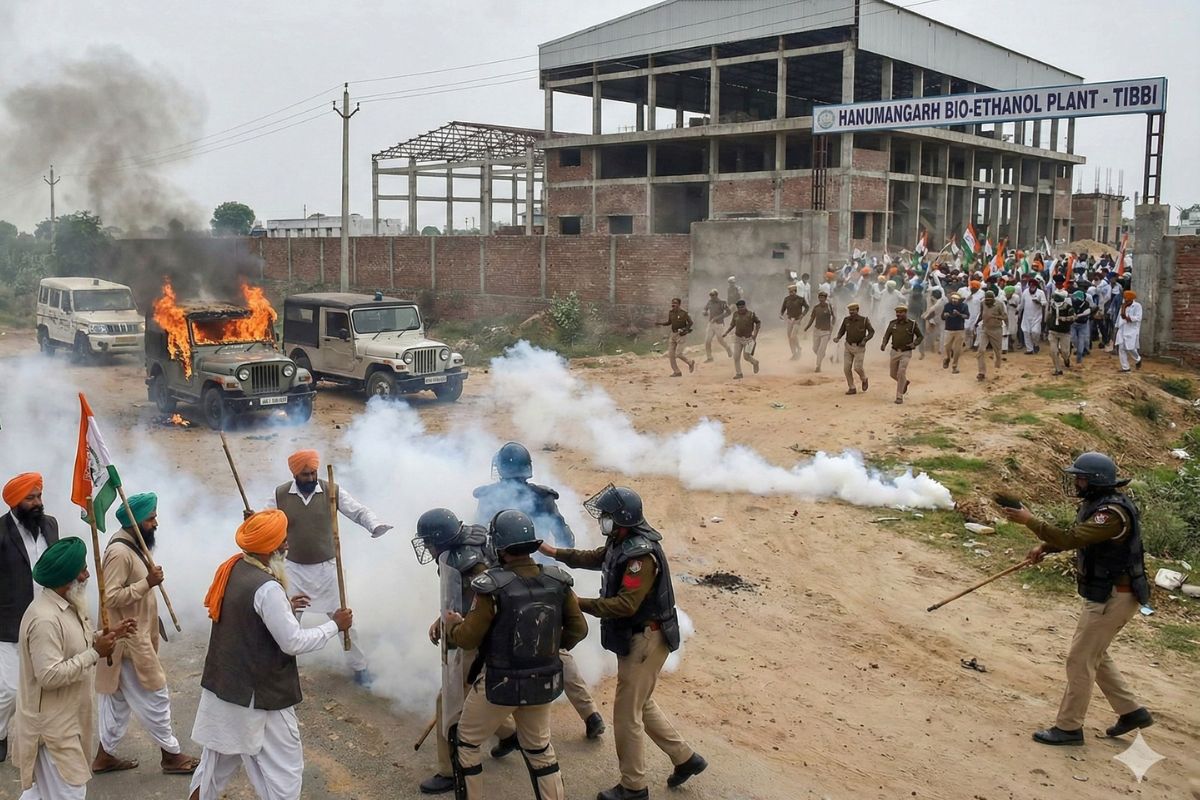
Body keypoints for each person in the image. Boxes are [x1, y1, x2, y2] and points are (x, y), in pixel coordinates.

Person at [540, 485, 706, 800]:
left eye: (606, 516)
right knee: (640, 703)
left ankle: (634, 787)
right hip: (638, 637)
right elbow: (594, 558)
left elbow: (625, 605)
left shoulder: (639, 555)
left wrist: (576, 603)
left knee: (626, 714)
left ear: (623, 519)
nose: (602, 520)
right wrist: (555, 553)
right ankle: (686, 758)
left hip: (646, 638)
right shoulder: (620, 540)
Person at [189, 510, 353, 800]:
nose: (287, 546)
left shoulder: (234, 567)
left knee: (212, 768)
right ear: (272, 549)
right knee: (285, 773)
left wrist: (287, 610)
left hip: (222, 688)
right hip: (259, 698)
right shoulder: (267, 588)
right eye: (283, 541)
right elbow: (293, 642)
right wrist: (334, 626)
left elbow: (252, 619)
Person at [1001, 453, 1153, 746]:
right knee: (1095, 654)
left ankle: (1069, 728)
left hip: (1114, 598)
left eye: (1080, 477)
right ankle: (1131, 712)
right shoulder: (1099, 507)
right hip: (1109, 595)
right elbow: (1079, 538)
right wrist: (1047, 546)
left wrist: (1030, 521)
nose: (1076, 482)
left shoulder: (1110, 514)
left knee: (1079, 659)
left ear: (1094, 481)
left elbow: (1072, 539)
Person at [443, 510, 586, 800]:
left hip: (499, 683)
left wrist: (453, 626)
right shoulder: (558, 581)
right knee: (540, 751)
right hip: (542, 680)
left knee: (466, 744)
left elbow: (469, 637)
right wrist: (547, 650)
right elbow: (579, 629)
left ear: (500, 547)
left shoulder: (490, 587)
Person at [472, 444, 605, 747]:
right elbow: (565, 537)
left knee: (493, 648)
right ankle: (590, 714)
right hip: (542, 581)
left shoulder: (488, 498)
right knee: (555, 648)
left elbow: (479, 540)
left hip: (503, 585)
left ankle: (503, 727)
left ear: (501, 469)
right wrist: (550, 567)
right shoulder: (544, 498)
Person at [13, 537, 135, 800]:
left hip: (68, 719)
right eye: (82, 569)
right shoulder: (44, 619)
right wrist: (95, 653)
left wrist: (109, 633)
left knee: (43, 794)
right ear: (65, 577)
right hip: (52, 728)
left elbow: (74, 640)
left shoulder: (68, 605)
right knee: (71, 792)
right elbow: (49, 675)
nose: (87, 574)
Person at [256, 449, 390, 686]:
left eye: (313, 473)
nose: (310, 478)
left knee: (344, 620)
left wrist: (374, 525)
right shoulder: (281, 495)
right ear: (295, 474)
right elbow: (264, 520)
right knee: (287, 619)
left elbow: (358, 511)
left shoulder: (331, 490)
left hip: (328, 570)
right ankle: (278, 667)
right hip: (294, 569)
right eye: (305, 474)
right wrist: (252, 520)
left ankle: (359, 668)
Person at [93, 493, 197, 776]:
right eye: (151, 519)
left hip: (135, 637)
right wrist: (147, 583)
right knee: (155, 695)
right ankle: (171, 755)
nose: (156, 523)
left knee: (116, 704)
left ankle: (103, 757)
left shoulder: (134, 545)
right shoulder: (119, 553)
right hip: (128, 643)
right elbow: (109, 597)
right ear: (136, 522)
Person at [412, 508, 505, 795]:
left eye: (428, 541)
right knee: (480, 694)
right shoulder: (472, 544)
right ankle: (511, 734)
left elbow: (479, 605)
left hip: (476, 639)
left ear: (440, 540)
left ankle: (448, 771)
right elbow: (460, 598)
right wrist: (443, 618)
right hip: (487, 636)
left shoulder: (469, 565)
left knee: (449, 702)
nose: (426, 547)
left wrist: (454, 624)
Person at [1, 473, 59, 764]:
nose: (37, 503)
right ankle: (0, 734)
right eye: (30, 498)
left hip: (46, 619)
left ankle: (40, 738)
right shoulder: (0, 533)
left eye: (39, 496)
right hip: (9, 624)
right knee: (10, 689)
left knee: (45, 683)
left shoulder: (50, 525)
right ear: (14, 502)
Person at [880, 305, 923, 405]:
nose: (898, 314)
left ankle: (899, 396)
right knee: (892, 374)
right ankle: (904, 382)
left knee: (901, 372)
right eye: (897, 312)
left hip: (906, 352)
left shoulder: (912, 324)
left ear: (905, 312)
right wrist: (883, 344)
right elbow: (887, 335)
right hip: (894, 351)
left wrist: (914, 344)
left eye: (900, 312)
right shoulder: (892, 323)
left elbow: (920, 336)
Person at [833, 302, 874, 395]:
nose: (851, 312)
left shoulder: (864, 320)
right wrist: (838, 337)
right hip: (848, 346)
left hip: (859, 347)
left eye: (853, 310)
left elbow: (871, 332)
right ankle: (852, 387)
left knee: (857, 367)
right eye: (850, 310)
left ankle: (864, 379)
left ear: (857, 310)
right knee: (846, 368)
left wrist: (865, 340)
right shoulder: (846, 320)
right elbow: (841, 331)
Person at [655, 298, 695, 377]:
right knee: (671, 354)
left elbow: (690, 323)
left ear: (679, 304)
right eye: (672, 303)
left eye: (675, 303)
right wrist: (660, 324)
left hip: (681, 335)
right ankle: (677, 372)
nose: (673, 305)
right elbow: (669, 322)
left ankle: (690, 362)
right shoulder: (671, 313)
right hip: (673, 334)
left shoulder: (684, 313)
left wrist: (685, 330)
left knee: (678, 353)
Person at [972, 291, 1005, 381]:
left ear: (993, 299)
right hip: (985, 329)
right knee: (981, 350)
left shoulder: (999, 304)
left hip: (996, 330)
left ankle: (997, 370)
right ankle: (981, 372)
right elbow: (982, 314)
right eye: (987, 300)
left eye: (990, 300)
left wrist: (996, 317)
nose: (988, 302)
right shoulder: (982, 303)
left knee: (997, 352)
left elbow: (1004, 317)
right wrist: (976, 323)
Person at [723, 299, 760, 379]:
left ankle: (755, 362)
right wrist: (726, 332)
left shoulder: (751, 314)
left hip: (749, 338)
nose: (741, 309)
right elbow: (732, 325)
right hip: (738, 338)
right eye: (739, 307)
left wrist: (755, 334)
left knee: (746, 357)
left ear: (745, 306)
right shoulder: (735, 314)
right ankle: (739, 373)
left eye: (742, 307)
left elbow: (758, 322)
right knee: (736, 356)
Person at [803, 290, 836, 373]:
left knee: (821, 349)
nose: (821, 299)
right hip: (817, 330)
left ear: (825, 298)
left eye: (823, 297)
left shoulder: (829, 307)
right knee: (815, 349)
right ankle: (829, 357)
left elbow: (834, 317)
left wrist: (832, 325)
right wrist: (807, 327)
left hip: (826, 331)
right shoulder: (816, 308)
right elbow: (812, 318)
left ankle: (818, 366)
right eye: (820, 297)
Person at [1045, 290, 1074, 376]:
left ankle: (1066, 359)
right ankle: (1058, 369)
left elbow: (1073, 317)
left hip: (1064, 332)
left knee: (1065, 352)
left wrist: (1064, 318)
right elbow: (1049, 315)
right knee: (1053, 351)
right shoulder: (1052, 306)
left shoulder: (1069, 307)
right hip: (1053, 331)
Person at [940, 292, 969, 374]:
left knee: (957, 349)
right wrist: (945, 315)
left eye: (956, 300)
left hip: (959, 329)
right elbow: (942, 317)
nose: (954, 301)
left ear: (959, 300)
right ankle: (948, 358)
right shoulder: (947, 305)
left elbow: (967, 316)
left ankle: (954, 366)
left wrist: (959, 314)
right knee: (947, 346)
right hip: (949, 328)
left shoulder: (964, 306)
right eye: (953, 299)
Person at [779, 284, 809, 361]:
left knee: (793, 336)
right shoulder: (786, 299)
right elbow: (783, 309)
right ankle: (794, 354)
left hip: (797, 320)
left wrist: (802, 315)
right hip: (789, 320)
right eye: (790, 292)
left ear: (795, 292)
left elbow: (807, 307)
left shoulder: (800, 299)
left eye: (792, 292)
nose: (791, 293)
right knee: (789, 338)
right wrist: (781, 314)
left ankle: (799, 347)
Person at [701, 289, 732, 362]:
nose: (711, 297)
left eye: (713, 295)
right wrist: (704, 312)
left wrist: (718, 317)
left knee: (720, 340)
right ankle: (709, 357)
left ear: (716, 295)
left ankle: (728, 348)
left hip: (719, 323)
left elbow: (729, 312)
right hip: (711, 323)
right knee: (707, 341)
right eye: (710, 295)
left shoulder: (722, 303)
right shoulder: (709, 302)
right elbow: (705, 309)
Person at [1116, 290, 1142, 372]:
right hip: (1122, 329)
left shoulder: (1137, 306)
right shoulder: (1123, 306)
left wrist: (1128, 318)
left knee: (1131, 348)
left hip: (1132, 330)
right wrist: (1116, 326)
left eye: (1127, 299)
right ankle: (1126, 368)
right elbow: (1119, 317)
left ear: (1131, 299)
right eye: (1125, 298)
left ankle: (1138, 359)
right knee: (1121, 348)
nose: (1125, 300)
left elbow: (1138, 318)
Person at [1020, 276, 1046, 354]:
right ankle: (1029, 349)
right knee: (1026, 331)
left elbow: (1045, 303)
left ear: (1036, 286)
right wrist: (1018, 311)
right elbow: (1022, 304)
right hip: (1026, 316)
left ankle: (1036, 344)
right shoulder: (1025, 292)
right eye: (1030, 285)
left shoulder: (1040, 293)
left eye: (1033, 285)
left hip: (1037, 317)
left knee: (1035, 332)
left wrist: (1039, 302)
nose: (1032, 287)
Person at [922, 288, 945, 356]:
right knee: (940, 334)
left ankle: (940, 350)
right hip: (940, 320)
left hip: (941, 320)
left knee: (941, 335)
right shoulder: (944, 299)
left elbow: (930, 314)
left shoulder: (936, 305)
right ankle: (937, 348)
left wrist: (924, 317)